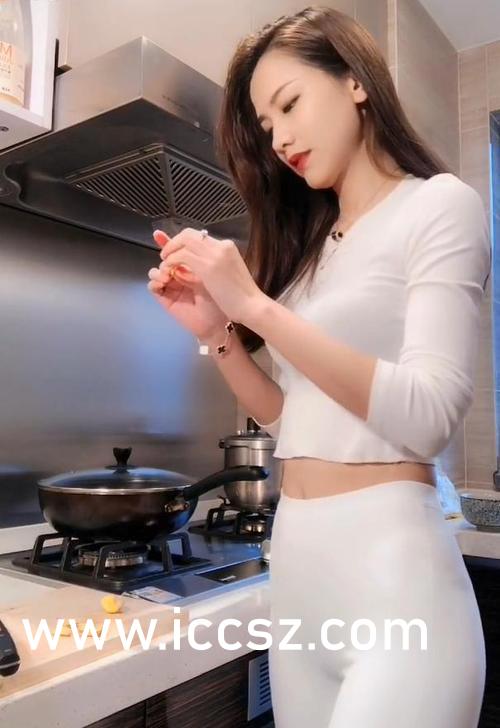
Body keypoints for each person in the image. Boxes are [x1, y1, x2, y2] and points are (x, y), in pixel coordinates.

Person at [147, 6, 491, 727]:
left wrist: (255, 306)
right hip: (299, 565)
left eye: (289, 104)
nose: (279, 138)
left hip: (395, 578)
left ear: (355, 81)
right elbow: (293, 419)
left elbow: (429, 415)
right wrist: (219, 334)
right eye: (266, 126)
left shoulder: (439, 206)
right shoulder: (312, 255)